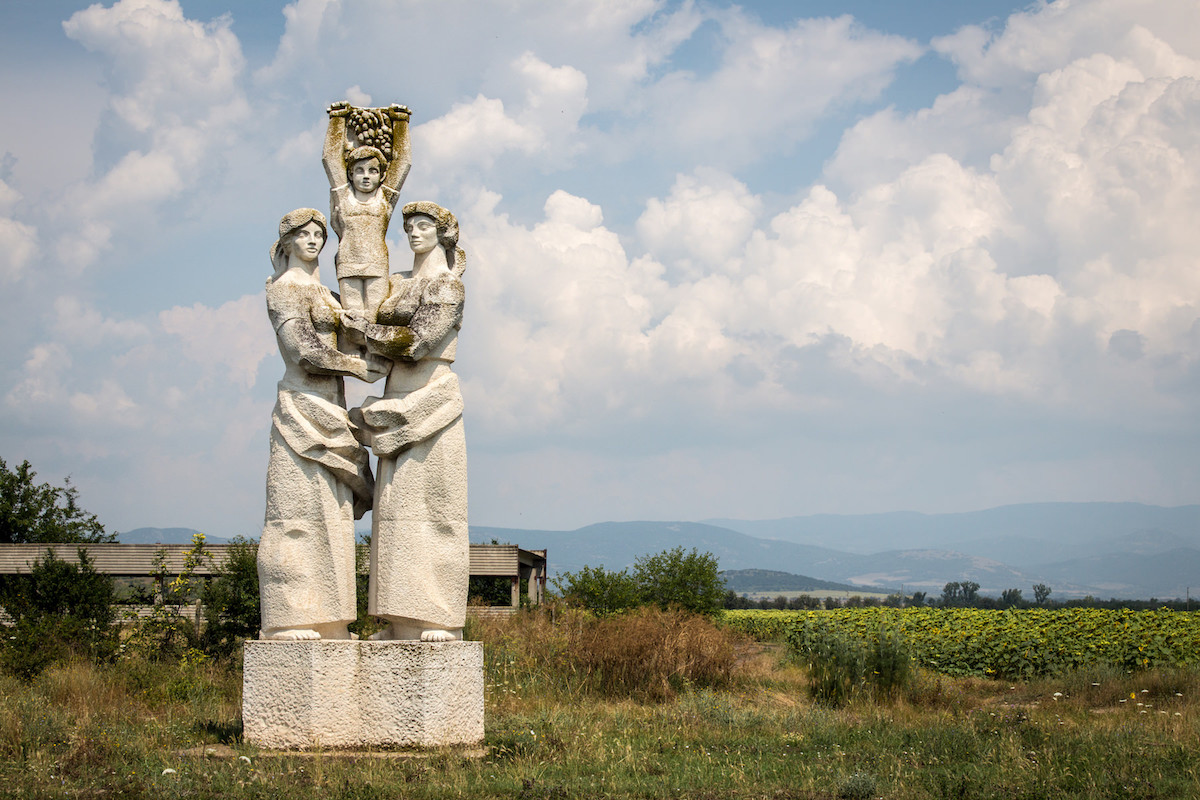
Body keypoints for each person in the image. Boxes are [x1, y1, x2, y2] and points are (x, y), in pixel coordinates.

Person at [258, 208, 388, 641]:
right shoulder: (286, 288)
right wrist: (355, 365)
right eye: (305, 234)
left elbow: (356, 332)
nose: (314, 240)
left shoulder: (325, 292)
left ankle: (330, 620)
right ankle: (287, 618)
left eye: (319, 233)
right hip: (302, 408)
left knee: (331, 519)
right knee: (296, 516)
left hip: (331, 409)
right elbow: (302, 351)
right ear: (288, 241)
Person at [343, 202, 468, 642]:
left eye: (423, 226)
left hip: (430, 400)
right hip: (396, 399)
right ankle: (399, 620)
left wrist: (363, 330)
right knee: (395, 515)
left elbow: (418, 342)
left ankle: (437, 617)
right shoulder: (399, 284)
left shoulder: (447, 285)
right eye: (409, 226)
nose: (414, 233)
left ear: (443, 233)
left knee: (434, 512)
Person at [323, 101, 412, 321]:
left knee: (375, 318)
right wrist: (337, 120)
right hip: (348, 262)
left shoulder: (384, 198)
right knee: (352, 317)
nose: (366, 176)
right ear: (350, 174)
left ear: (381, 176)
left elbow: (402, 163)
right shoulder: (343, 196)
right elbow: (331, 159)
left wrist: (401, 123)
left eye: (372, 171)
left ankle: (376, 356)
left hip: (377, 263)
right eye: (360, 170)